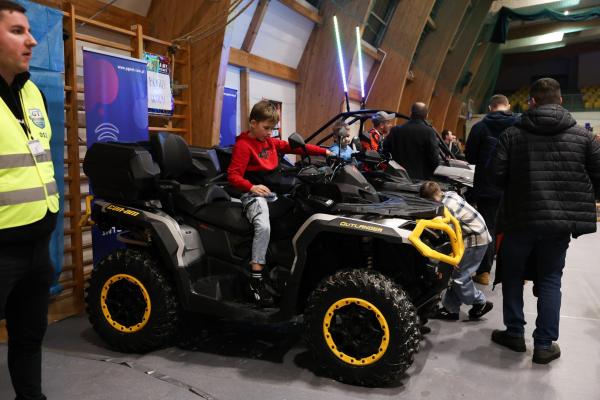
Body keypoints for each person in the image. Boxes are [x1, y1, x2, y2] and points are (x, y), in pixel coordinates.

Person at [489, 78, 600, 364]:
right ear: (561, 100)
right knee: (551, 278)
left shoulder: (512, 134)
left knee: (513, 275)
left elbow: (496, 175)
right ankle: (544, 344)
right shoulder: (584, 137)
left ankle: (514, 333)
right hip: (559, 224)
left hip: (519, 219)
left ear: (532, 102)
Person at [0, 2, 60, 399]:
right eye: (18, 31)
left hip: (38, 244)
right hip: (2, 249)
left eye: (30, 30)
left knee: (28, 338)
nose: (33, 40)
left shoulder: (32, 90)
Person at [227, 100, 332, 306]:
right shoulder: (243, 146)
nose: (269, 133)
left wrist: (324, 152)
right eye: (266, 128)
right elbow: (233, 175)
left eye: (272, 129)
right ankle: (255, 276)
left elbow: (295, 147)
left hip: (272, 193)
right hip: (254, 195)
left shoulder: (269, 142)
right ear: (253, 123)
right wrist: (251, 187)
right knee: (263, 226)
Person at [464, 94, 519, 286]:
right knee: (513, 227)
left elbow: (470, 157)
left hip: (487, 186)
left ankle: (484, 272)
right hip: (514, 186)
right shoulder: (519, 125)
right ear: (508, 106)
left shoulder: (479, 127)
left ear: (490, 107)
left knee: (488, 227)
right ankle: (515, 272)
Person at [420, 181, 493, 321]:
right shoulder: (449, 194)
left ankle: (480, 302)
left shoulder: (446, 207)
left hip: (475, 240)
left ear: (432, 199)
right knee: (457, 274)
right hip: (476, 235)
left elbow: (441, 228)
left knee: (460, 278)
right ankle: (451, 309)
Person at [383, 102, 440, 180]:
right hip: (419, 180)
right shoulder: (429, 132)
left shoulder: (395, 130)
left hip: (396, 177)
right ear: (426, 115)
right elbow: (434, 159)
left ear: (411, 113)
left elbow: (385, 152)